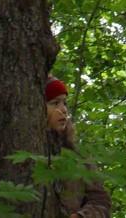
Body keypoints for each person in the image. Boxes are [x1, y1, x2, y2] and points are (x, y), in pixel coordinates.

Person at [44, 76, 111, 218]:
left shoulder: (79, 155)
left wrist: (82, 216)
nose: (63, 110)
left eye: (64, 103)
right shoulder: (24, 150)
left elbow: (100, 201)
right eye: (54, 103)